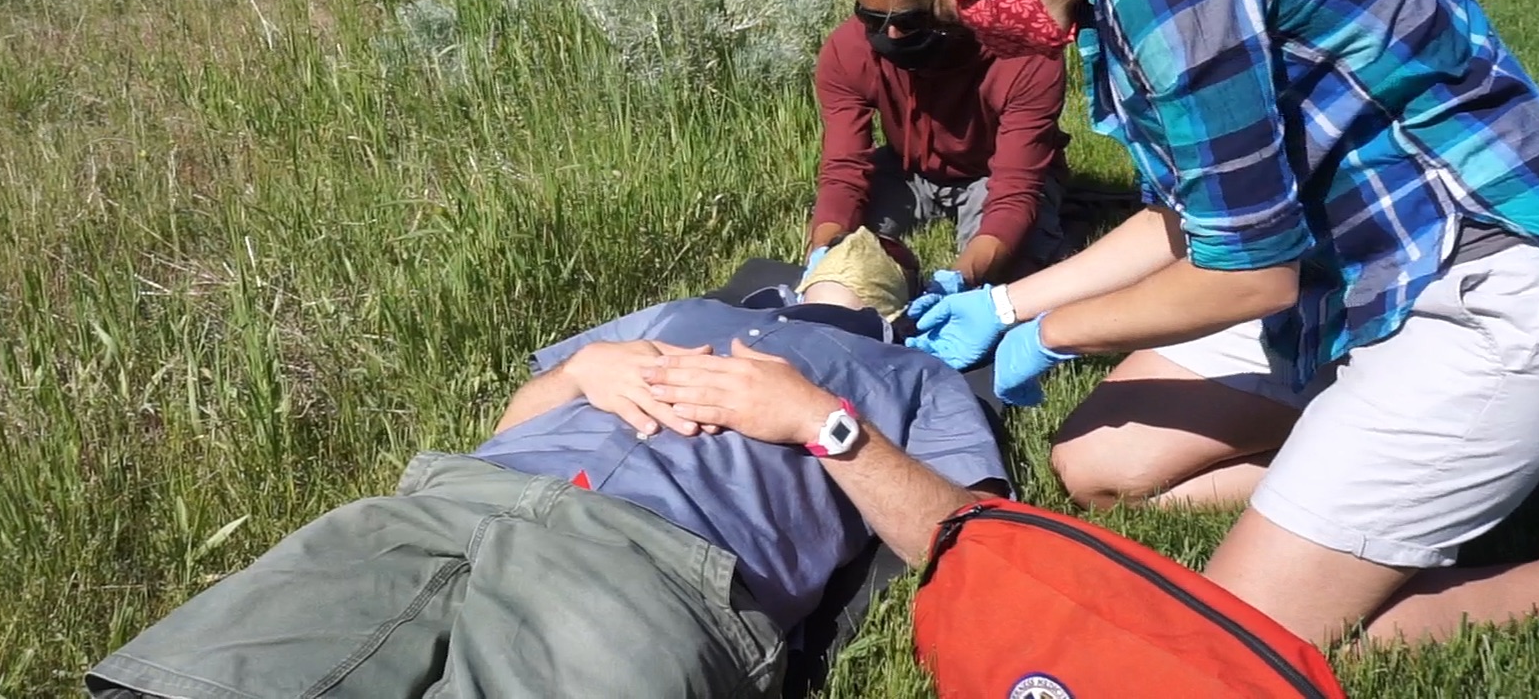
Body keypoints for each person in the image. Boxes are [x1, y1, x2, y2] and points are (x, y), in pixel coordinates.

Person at [886, 0, 1539, 646]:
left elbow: (1248, 276)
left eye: (955, 14)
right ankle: (1427, 469)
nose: (977, 35)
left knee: (1253, 633)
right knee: (1098, 467)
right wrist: (1006, 307)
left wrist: (1054, 335)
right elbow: (1192, 213)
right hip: (1354, 272)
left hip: (1481, 274)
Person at [86, 230, 1008, 699]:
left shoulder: (910, 373)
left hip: (648, 567)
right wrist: (575, 371)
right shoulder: (681, 308)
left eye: (885, 253)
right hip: (444, 505)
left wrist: (819, 420)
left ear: (902, 293)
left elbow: (968, 545)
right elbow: (511, 423)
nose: (858, 253)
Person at [809, 0, 1069, 293]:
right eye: (873, 19)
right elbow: (844, 170)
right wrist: (825, 254)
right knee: (849, 257)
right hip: (905, 171)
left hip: (992, 174)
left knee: (1006, 275)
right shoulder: (848, 50)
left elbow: (1014, 189)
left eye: (909, 20)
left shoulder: (1024, 52)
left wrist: (958, 283)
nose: (891, 36)